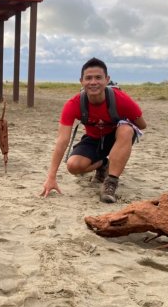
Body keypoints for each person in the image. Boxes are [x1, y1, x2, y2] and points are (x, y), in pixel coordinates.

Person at [40, 57, 147, 203]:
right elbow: (62, 140)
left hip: (117, 138)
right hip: (94, 139)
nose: (93, 82)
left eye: (98, 77)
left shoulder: (121, 99)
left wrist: (122, 123)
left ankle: (110, 183)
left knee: (126, 130)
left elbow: (142, 125)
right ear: (81, 81)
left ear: (107, 79)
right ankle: (103, 164)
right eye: (88, 78)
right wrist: (51, 177)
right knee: (73, 166)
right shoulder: (73, 104)